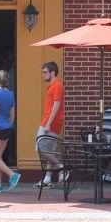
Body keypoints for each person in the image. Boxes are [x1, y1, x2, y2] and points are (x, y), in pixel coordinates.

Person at [0, 70, 21, 193]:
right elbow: (12, 114)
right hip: (7, 128)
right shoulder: (10, 94)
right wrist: (9, 124)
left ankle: (12, 175)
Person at [33, 61, 66, 189]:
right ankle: (47, 179)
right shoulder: (54, 85)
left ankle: (61, 167)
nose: (43, 74)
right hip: (51, 122)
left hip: (49, 122)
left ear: (52, 73)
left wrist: (48, 124)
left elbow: (56, 106)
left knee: (40, 148)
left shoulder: (57, 85)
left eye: (45, 72)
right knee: (49, 151)